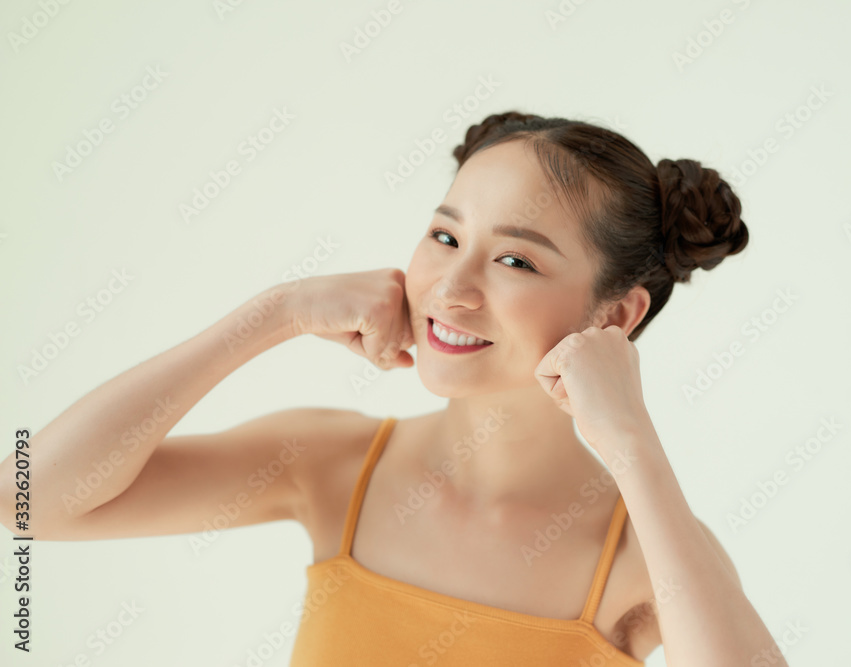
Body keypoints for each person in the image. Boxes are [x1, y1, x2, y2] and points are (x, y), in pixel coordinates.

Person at [0, 111, 785, 665]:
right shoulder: (333, 464)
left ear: (617, 313)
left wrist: (631, 441)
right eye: (445, 237)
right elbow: (28, 497)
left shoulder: (642, 551)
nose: (450, 286)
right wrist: (273, 313)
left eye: (516, 259)